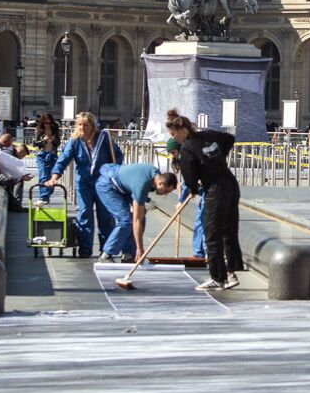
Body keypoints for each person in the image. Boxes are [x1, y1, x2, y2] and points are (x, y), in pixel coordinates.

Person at [166, 108, 241, 291]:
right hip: (230, 183)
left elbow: (190, 177)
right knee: (229, 230)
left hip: (215, 189)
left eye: (174, 134)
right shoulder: (208, 135)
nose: (174, 138)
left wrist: (192, 188)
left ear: (182, 129)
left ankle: (218, 277)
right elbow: (229, 139)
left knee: (212, 233)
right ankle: (231, 272)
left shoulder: (187, 149)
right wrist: (218, 158)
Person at [43, 112, 124, 257]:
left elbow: (118, 156)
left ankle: (106, 250)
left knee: (105, 216)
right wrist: (54, 177)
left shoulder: (104, 138)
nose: (82, 128)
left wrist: (113, 172)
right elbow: (64, 159)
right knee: (84, 213)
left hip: (103, 183)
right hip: (83, 183)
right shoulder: (75, 141)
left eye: (85, 125)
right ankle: (85, 249)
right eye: (80, 124)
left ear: (92, 126)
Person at [92, 162, 178, 263]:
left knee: (141, 219)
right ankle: (106, 254)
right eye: (166, 191)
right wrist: (140, 248)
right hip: (108, 186)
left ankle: (129, 253)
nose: (166, 194)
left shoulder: (155, 174)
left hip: (123, 188)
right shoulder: (142, 185)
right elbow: (136, 220)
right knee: (126, 220)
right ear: (160, 183)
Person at [165, 138, 207, 259]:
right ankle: (199, 253)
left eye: (173, 152)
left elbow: (190, 182)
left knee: (204, 221)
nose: (173, 156)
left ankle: (208, 254)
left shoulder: (188, 157)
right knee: (199, 221)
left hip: (211, 191)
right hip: (203, 190)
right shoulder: (184, 158)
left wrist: (180, 201)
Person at [32, 113, 61, 203]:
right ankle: (43, 197)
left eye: (49, 123)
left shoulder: (55, 129)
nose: (47, 124)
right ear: (42, 122)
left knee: (51, 176)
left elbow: (58, 142)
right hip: (42, 154)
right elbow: (35, 143)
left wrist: (53, 140)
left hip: (52, 154)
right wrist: (43, 140)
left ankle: (48, 193)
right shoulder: (39, 130)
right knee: (43, 175)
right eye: (45, 123)